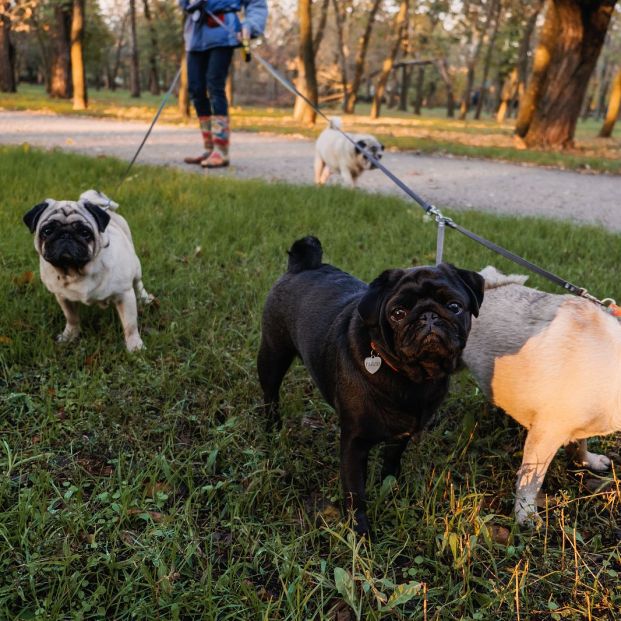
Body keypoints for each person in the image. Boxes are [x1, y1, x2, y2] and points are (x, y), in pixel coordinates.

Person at [179, 0, 268, 168]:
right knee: (196, 90)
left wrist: (250, 25)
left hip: (223, 32)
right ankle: (209, 148)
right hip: (194, 36)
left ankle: (221, 151)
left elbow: (256, 4)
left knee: (214, 86)